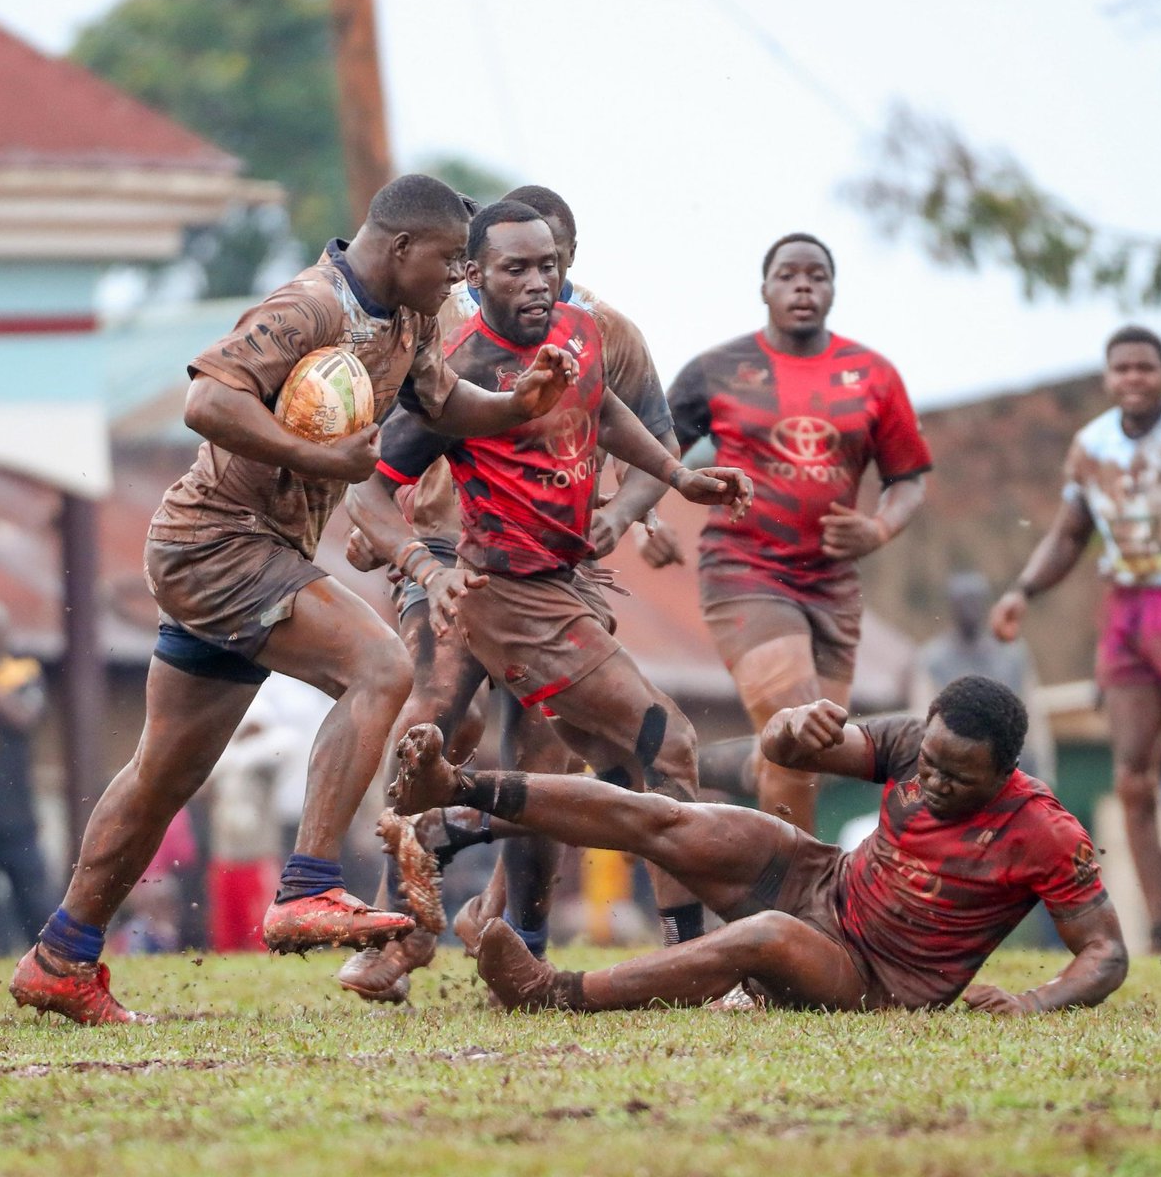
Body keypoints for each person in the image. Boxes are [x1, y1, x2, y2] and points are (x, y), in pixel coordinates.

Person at [9, 174, 579, 1026]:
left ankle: (62, 956)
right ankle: (308, 887)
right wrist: (316, 460)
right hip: (215, 543)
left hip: (249, 553)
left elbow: (444, 402)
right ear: (397, 249)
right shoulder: (309, 305)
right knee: (381, 665)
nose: (460, 278)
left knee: (165, 771)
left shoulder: (414, 319)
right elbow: (207, 399)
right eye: (450, 261)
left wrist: (515, 404)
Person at [346, 200, 752, 976]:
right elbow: (368, 492)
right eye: (517, 267)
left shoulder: (590, 331)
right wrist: (419, 566)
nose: (539, 281)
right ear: (474, 274)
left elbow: (604, 410)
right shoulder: (456, 369)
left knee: (562, 773)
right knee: (648, 744)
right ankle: (394, 933)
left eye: (550, 264)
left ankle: (491, 893)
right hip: (496, 588)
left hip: (564, 582)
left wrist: (673, 482)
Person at [387, 676, 1127, 1015]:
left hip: (873, 979)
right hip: (822, 880)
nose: (931, 781)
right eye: (928, 763)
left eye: (956, 778)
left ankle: (555, 994)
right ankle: (459, 788)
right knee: (671, 815)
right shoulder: (909, 744)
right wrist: (790, 726)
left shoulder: (1047, 833)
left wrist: (1033, 1003)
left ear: (1004, 772)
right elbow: (788, 753)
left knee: (763, 937)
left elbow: (1105, 953)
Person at [665, 234, 931, 831]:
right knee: (800, 720)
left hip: (833, 584)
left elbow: (910, 478)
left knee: (809, 753)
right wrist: (645, 520)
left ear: (834, 290)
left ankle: (728, 769)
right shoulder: (718, 369)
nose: (803, 285)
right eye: (788, 274)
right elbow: (653, 449)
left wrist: (879, 529)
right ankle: (793, 898)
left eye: (817, 275)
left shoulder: (872, 375)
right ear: (764, 289)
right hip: (745, 569)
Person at [992, 324, 1161, 956]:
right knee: (1132, 777)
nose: (1133, 378)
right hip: (1126, 611)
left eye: (1145, 367)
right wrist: (1023, 588)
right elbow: (1071, 533)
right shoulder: (1091, 444)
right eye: (1121, 368)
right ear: (1108, 377)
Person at [912, 570, 1055, 784]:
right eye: (964, 602)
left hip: (1014, 767)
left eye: (975, 601)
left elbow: (1034, 715)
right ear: (952, 607)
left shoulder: (1013, 654)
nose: (970, 609)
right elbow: (923, 719)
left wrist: (1044, 771)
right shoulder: (933, 661)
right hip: (958, 772)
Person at [0, 600, 54, 958]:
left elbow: (25, 718)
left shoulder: (23, 672)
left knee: (36, 902)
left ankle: (48, 962)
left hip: (16, 817)